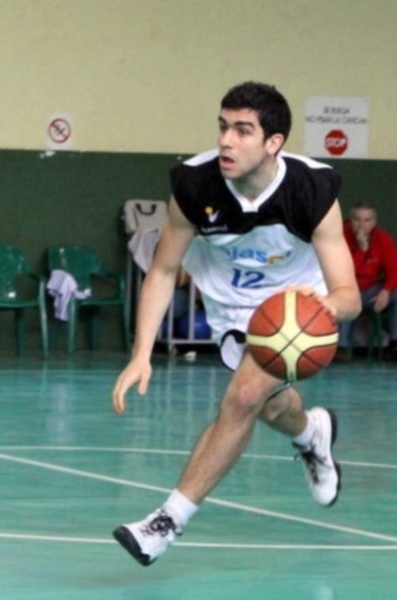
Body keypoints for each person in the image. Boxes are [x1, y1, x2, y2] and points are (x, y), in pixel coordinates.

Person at [110, 82, 361, 567]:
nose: (227, 140)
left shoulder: (311, 189)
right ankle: (311, 432)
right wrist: (141, 354)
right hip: (229, 309)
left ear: (273, 142)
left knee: (244, 397)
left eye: (243, 131)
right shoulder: (194, 185)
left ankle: (166, 522)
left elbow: (350, 297)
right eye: (223, 127)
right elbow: (163, 271)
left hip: (295, 308)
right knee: (270, 405)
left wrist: (325, 307)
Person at [335, 203, 397, 362]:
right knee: (344, 297)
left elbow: (394, 270)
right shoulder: (339, 237)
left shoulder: (383, 239)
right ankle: (341, 348)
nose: (361, 225)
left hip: (371, 290)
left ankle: (394, 345)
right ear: (350, 220)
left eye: (367, 220)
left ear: (374, 222)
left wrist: (386, 291)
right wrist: (361, 250)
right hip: (346, 286)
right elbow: (344, 272)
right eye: (357, 219)